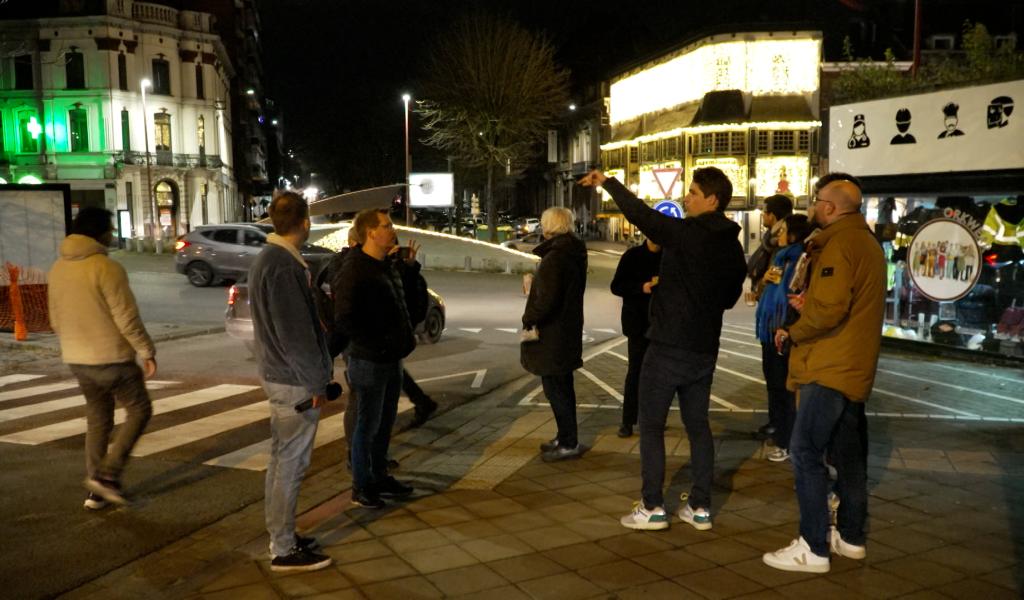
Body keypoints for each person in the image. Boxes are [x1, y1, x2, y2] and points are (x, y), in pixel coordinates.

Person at [580, 167, 746, 532]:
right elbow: (730, 299)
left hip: (669, 344)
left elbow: (643, 216)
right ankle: (701, 507)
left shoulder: (689, 233)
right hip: (704, 348)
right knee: (698, 426)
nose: (687, 198)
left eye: (693, 192)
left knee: (651, 425)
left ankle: (653, 506)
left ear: (712, 200)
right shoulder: (733, 246)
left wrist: (608, 183)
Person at [763, 173, 885, 573]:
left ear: (830, 207)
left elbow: (830, 310)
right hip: (853, 364)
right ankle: (850, 538)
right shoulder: (865, 242)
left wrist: (792, 330)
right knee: (849, 457)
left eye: (816, 201)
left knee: (805, 451)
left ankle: (813, 546)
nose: (811, 206)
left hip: (829, 364)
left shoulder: (839, 244)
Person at [47, 207, 156, 510]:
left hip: (78, 360)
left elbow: (54, 318)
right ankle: (108, 476)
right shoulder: (106, 268)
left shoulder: (57, 268)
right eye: (109, 228)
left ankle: (96, 489)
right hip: (113, 359)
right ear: (100, 233)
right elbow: (126, 318)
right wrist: (146, 350)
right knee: (139, 410)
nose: (111, 233)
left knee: (98, 419)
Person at [248, 191, 333, 573]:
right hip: (293, 382)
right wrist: (318, 384)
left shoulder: (269, 259)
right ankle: (283, 547)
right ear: (305, 222)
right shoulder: (282, 265)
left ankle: (282, 536)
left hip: (279, 375)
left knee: (282, 461)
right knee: (290, 465)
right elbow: (296, 333)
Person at [335, 208, 418, 508]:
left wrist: (409, 269)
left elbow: (405, 304)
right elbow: (344, 318)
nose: (392, 229)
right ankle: (362, 485)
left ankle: (380, 475)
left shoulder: (386, 265)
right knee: (366, 425)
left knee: (384, 422)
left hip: (391, 357)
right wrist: (378, 342)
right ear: (370, 232)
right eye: (386, 225)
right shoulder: (355, 268)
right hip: (369, 359)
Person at [521, 207, 588, 462]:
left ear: (549, 226)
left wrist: (529, 317)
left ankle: (568, 442)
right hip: (566, 331)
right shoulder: (573, 253)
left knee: (555, 389)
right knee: (563, 387)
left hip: (552, 335)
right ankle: (565, 436)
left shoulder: (555, 258)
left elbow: (547, 300)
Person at [754, 214, 813, 463]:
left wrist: (788, 327)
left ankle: (787, 440)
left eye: (783, 231)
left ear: (794, 234)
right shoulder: (779, 258)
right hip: (770, 329)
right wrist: (763, 282)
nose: (778, 235)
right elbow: (763, 292)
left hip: (786, 331)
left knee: (786, 388)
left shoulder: (802, 259)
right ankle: (780, 431)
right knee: (774, 384)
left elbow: (799, 296)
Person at [747, 194, 794, 440]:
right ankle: (778, 423)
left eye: (765, 212)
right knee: (774, 376)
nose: (763, 217)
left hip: (778, 324)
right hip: (772, 321)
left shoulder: (784, 253)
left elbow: (774, 280)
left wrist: (763, 284)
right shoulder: (775, 247)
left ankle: (782, 428)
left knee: (778, 378)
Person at [609, 238, 662, 438]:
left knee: (659, 376)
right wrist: (642, 287)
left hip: (662, 325)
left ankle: (654, 420)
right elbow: (616, 286)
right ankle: (628, 421)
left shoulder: (670, 257)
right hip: (638, 324)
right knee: (636, 372)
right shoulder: (632, 256)